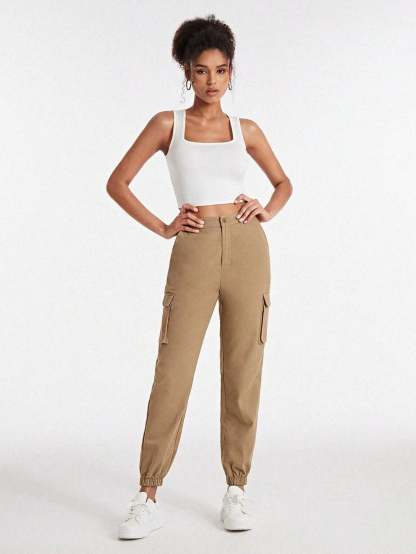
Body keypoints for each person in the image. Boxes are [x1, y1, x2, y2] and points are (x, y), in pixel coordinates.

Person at [106, 14, 293, 539]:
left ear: (232, 72)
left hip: (248, 249)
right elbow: (117, 182)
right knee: (173, 371)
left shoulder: (246, 130)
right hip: (193, 249)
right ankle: (148, 493)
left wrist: (266, 209)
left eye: (222, 70)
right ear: (187, 72)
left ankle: (236, 488)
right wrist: (164, 226)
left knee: (243, 368)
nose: (213, 81)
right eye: (202, 70)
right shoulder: (167, 124)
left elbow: (283, 183)